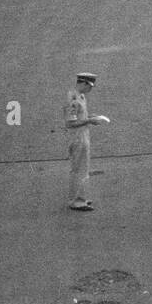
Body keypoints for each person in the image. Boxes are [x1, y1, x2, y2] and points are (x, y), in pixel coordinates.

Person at [65, 72, 108, 212]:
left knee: (83, 169)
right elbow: (70, 123)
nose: (91, 90)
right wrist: (89, 120)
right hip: (77, 137)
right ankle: (76, 201)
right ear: (83, 83)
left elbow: (79, 116)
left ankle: (81, 197)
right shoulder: (73, 99)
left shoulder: (81, 96)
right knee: (78, 170)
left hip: (83, 136)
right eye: (89, 86)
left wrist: (90, 116)